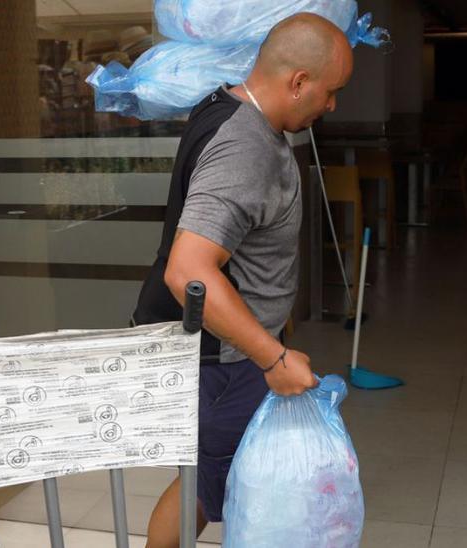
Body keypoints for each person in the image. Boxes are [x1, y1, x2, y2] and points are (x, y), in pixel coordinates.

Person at [130, 12, 355, 547]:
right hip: (221, 357)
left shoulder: (222, 104)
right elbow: (188, 270)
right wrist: (271, 358)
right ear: (298, 81)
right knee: (209, 488)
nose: (332, 105)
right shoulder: (245, 147)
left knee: (209, 482)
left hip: (223, 349)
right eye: (330, 92)